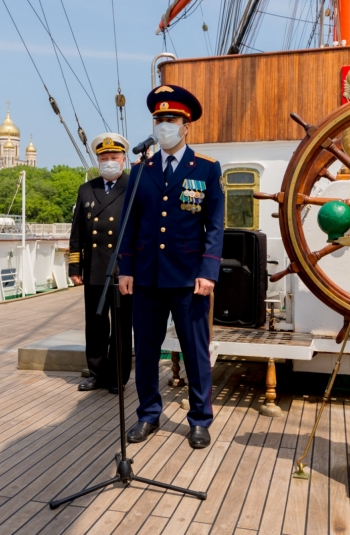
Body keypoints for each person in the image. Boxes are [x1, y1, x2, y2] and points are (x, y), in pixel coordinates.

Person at [119, 85, 224, 449]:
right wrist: (125, 269)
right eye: (159, 120)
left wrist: (208, 272)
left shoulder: (207, 169)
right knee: (146, 350)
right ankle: (148, 414)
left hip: (189, 278)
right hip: (146, 276)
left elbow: (215, 225)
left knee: (195, 351)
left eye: (171, 120)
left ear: (186, 125)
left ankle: (199, 418)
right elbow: (129, 226)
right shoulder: (140, 170)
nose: (164, 126)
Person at [68, 133, 133, 395]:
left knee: (120, 324)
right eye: (103, 158)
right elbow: (77, 232)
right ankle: (96, 372)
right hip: (94, 267)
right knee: (95, 324)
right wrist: (75, 267)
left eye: (113, 158)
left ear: (123, 159)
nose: (108, 162)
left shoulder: (134, 186)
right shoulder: (87, 189)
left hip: (123, 268)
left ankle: (118, 376)